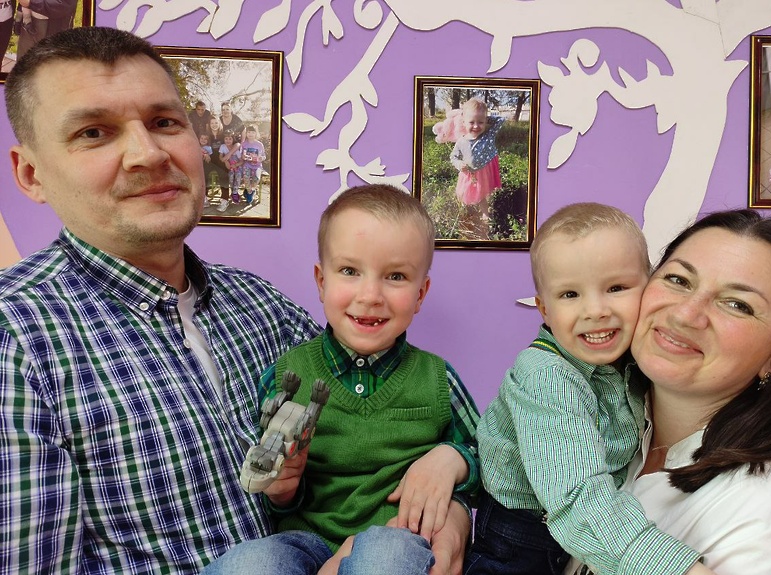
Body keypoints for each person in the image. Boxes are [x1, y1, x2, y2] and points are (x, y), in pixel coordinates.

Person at [0, 27, 472, 575]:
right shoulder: (16, 339)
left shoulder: (262, 306)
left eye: (164, 122)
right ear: (31, 173)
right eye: (93, 132)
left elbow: (367, 452)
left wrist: (453, 512)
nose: (148, 152)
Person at [203, 184, 481, 575]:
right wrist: (282, 492)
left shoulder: (438, 379)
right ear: (321, 281)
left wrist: (455, 460)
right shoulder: (286, 375)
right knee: (248, 564)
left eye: (396, 276)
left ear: (421, 294)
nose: (370, 295)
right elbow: (270, 484)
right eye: (350, 271)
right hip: (305, 541)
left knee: (383, 559)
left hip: (396, 536)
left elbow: (490, 457)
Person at [567, 209, 771, 574]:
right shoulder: (601, 433)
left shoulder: (770, 514)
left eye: (738, 304)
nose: (685, 314)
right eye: (678, 279)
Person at [467, 203, 711, 575]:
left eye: (616, 288)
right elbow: (576, 496)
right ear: (544, 310)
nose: (595, 310)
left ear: (649, 287)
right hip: (521, 540)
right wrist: (679, 569)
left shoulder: (639, 357)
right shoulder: (546, 376)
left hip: (591, 528)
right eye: (570, 295)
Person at [448, 98, 505, 240]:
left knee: (482, 195)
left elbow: (501, 120)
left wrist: (484, 116)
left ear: (486, 121)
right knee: (465, 194)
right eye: (471, 122)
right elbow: (453, 157)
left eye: (480, 122)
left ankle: (485, 213)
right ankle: (467, 212)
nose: (476, 126)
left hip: (484, 171)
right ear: (463, 122)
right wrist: (459, 164)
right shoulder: (461, 141)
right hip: (469, 173)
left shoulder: (488, 135)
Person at [203, 115, 232, 212]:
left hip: (221, 160)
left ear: (220, 123)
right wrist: (204, 153)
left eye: (216, 122)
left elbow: (236, 144)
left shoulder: (224, 135)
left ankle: (224, 200)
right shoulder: (206, 135)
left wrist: (228, 157)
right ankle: (204, 198)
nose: (214, 125)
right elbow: (197, 144)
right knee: (203, 174)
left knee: (224, 175)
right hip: (209, 160)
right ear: (209, 124)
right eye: (212, 123)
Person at [239, 124, 266, 205]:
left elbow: (264, 156)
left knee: (256, 179)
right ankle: (250, 193)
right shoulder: (244, 144)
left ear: (256, 133)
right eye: (249, 132)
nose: (250, 134)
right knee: (246, 178)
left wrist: (261, 158)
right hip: (247, 164)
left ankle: (250, 190)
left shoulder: (259, 144)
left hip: (257, 166)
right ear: (246, 133)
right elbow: (241, 155)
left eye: (253, 132)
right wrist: (243, 157)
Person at [219, 131, 242, 203]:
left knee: (238, 176)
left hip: (238, 167)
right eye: (226, 139)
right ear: (223, 139)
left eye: (230, 139)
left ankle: (235, 193)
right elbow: (220, 157)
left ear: (233, 139)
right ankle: (233, 191)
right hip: (229, 167)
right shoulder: (223, 146)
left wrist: (236, 165)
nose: (228, 141)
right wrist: (225, 161)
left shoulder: (235, 149)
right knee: (231, 177)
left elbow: (242, 161)